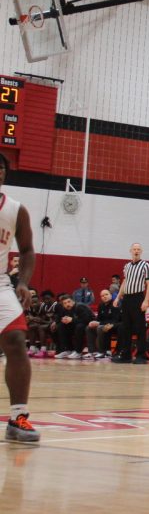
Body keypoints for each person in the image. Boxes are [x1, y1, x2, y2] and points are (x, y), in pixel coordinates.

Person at [1, 152, 39, 442]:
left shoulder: (15, 209)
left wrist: (23, 282)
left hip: (1, 284)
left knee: (15, 340)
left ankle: (18, 417)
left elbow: (26, 250)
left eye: (1, 168)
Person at [114, 243, 149, 364]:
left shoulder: (145, 265)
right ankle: (126, 355)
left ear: (141, 251)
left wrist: (146, 300)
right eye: (134, 249)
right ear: (130, 250)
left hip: (138, 297)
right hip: (127, 298)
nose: (136, 251)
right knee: (126, 327)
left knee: (140, 327)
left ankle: (141, 355)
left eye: (138, 249)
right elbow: (125, 282)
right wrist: (118, 298)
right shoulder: (127, 266)